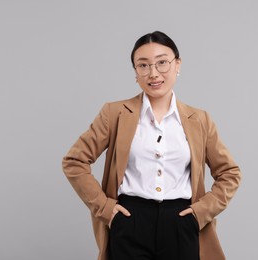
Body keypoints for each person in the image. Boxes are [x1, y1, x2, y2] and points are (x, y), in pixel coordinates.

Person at [62, 31, 241, 260]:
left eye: (162, 63)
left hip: (181, 221)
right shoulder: (114, 113)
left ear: (178, 64)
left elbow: (230, 172)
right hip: (129, 220)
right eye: (143, 65)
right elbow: (74, 161)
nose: (153, 73)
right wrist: (105, 209)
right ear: (135, 72)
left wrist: (200, 213)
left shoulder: (200, 119)